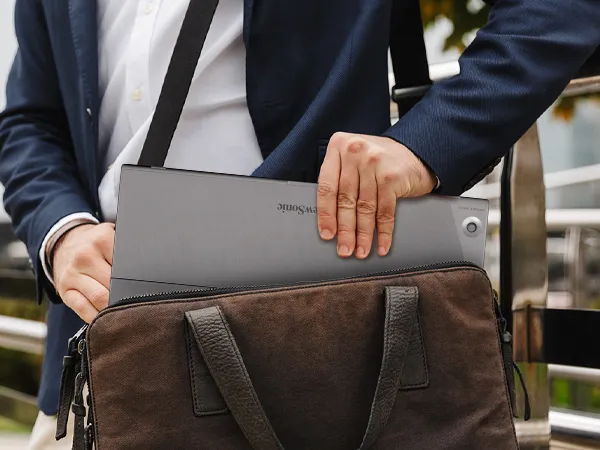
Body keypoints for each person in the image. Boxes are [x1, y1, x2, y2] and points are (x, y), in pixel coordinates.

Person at [0, 0, 598, 448]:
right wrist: (62, 232)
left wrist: (428, 143)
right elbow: (29, 118)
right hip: (104, 344)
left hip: (339, 344)